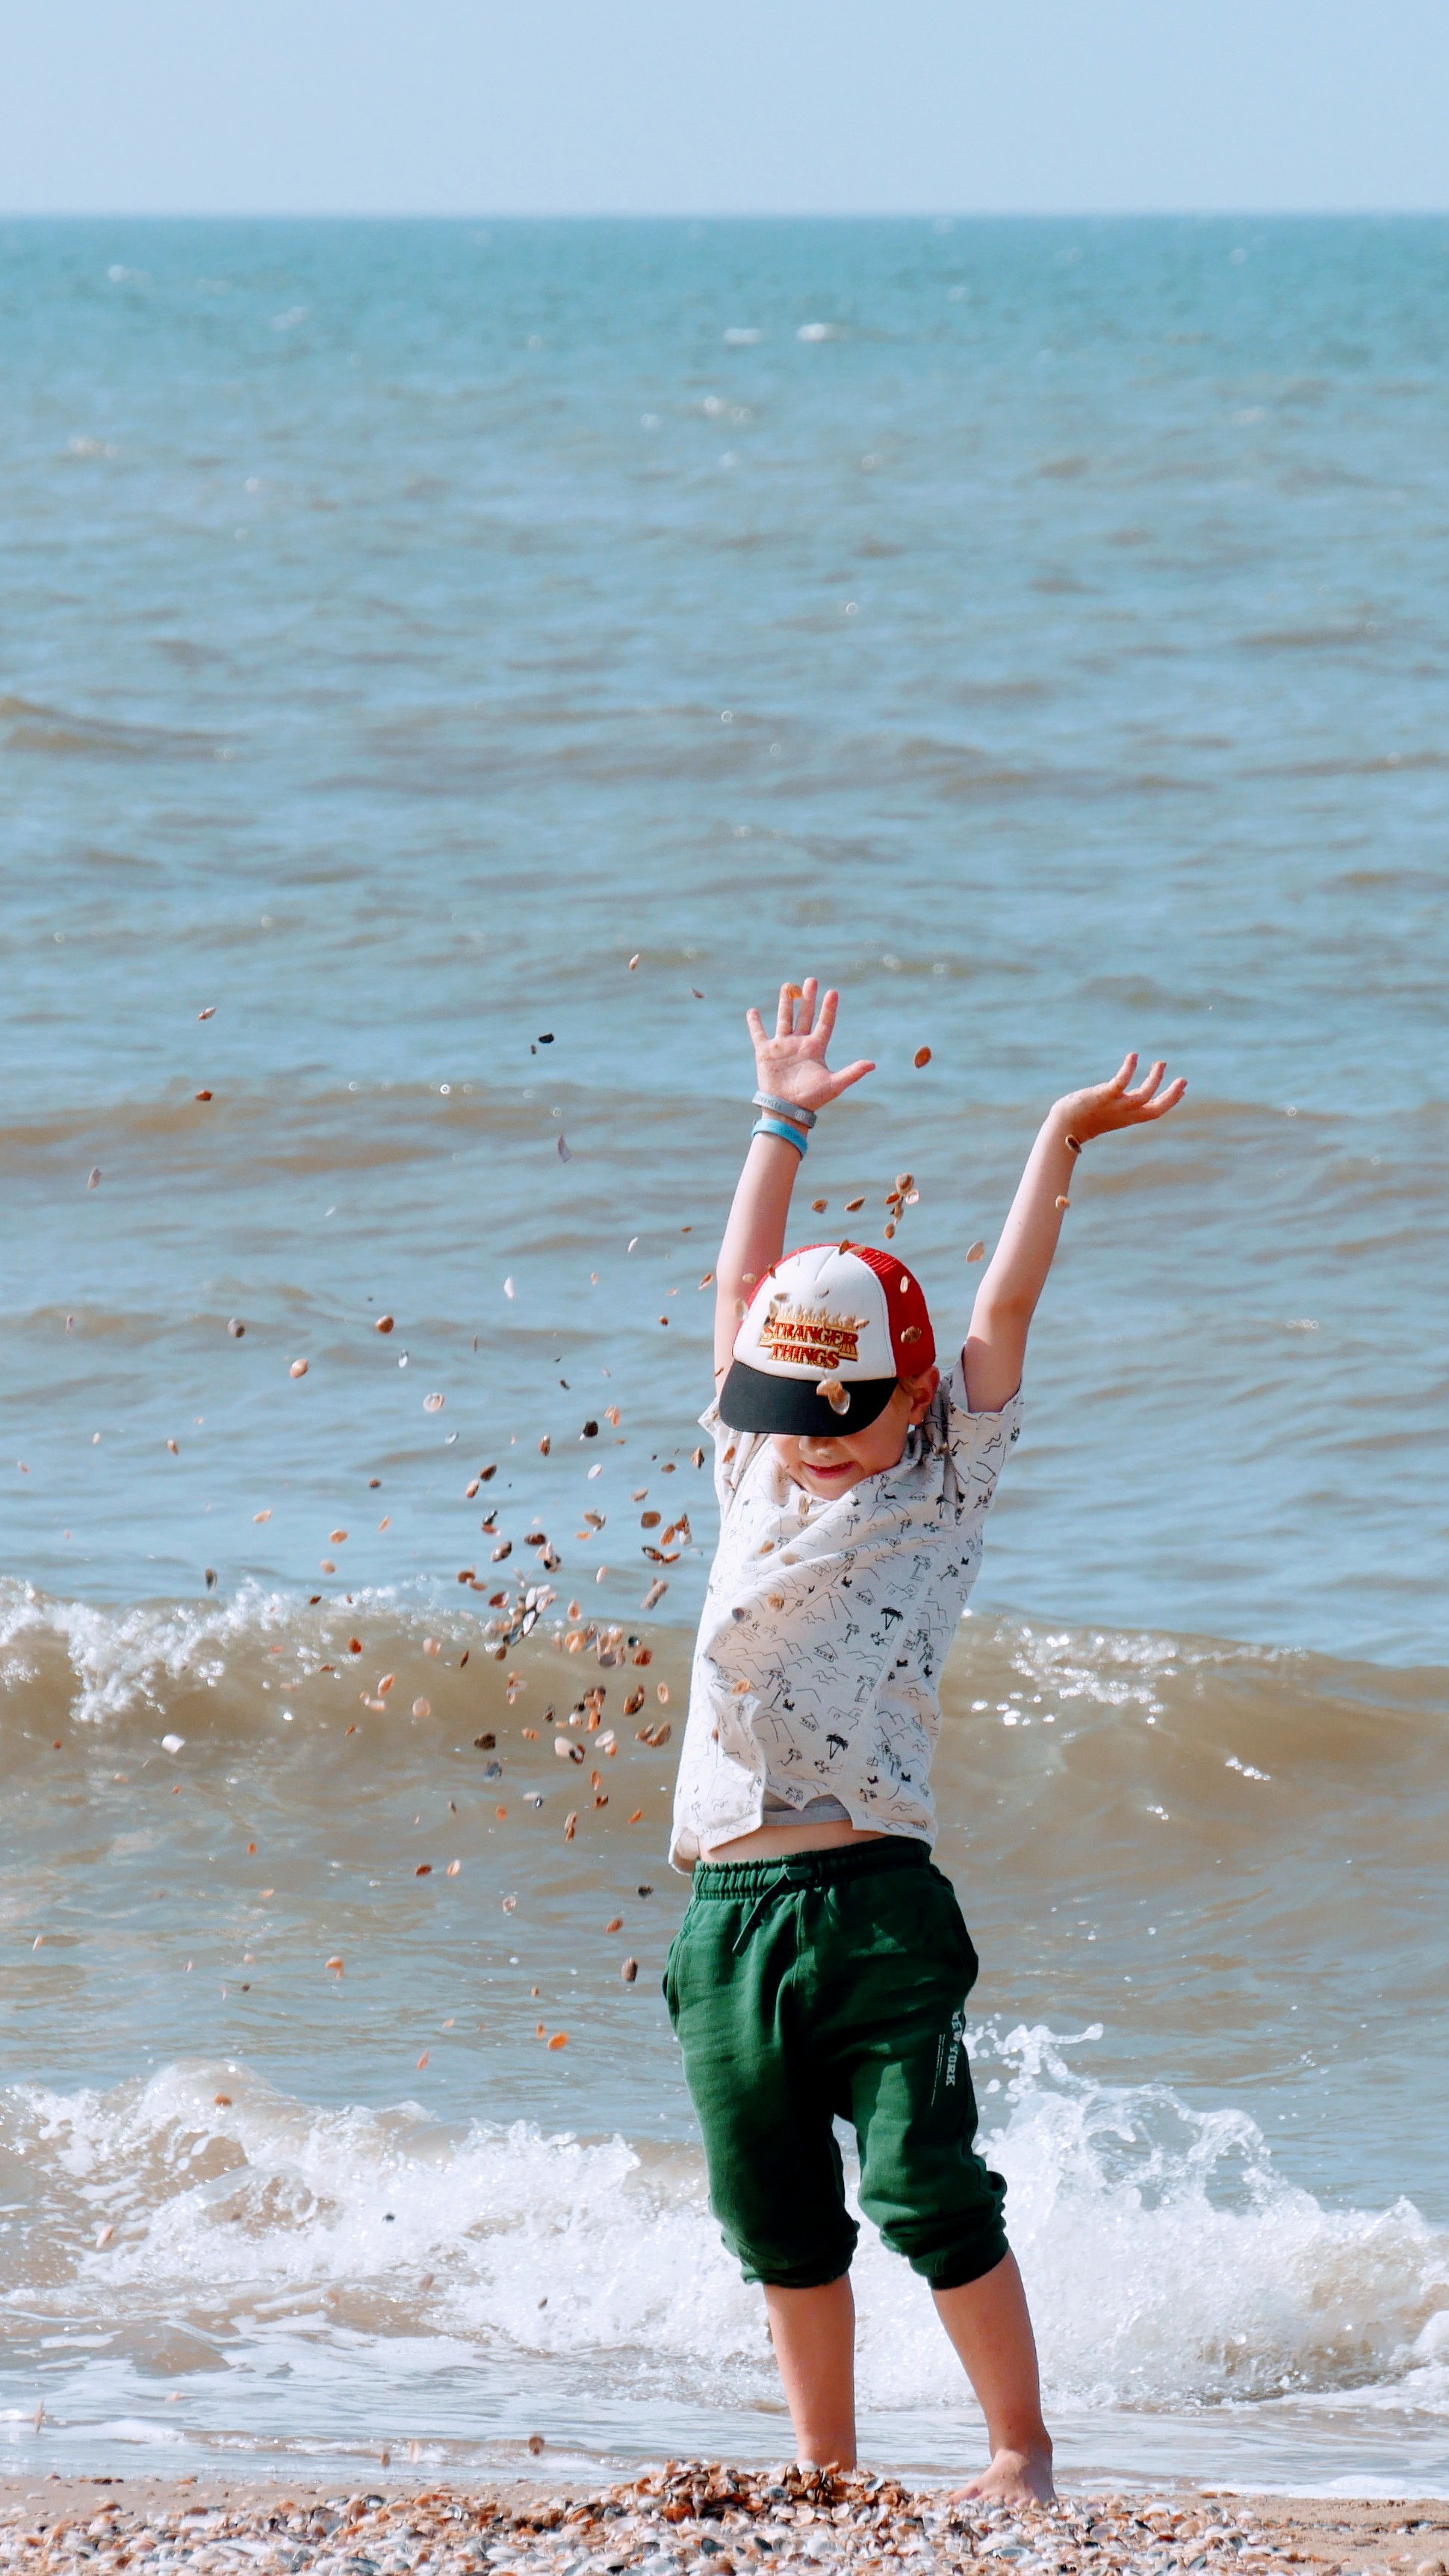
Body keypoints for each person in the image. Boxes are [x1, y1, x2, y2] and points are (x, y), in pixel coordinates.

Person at [664, 976, 1185, 2502]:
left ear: (909, 1395)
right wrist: (781, 1117)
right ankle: (823, 2463)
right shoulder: (753, 1458)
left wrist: (1056, 1138)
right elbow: (741, 1273)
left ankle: (1018, 2452)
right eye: (790, 1401)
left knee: (923, 2183)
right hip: (723, 1908)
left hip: (876, 1896)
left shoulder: (942, 1482)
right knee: (772, 2210)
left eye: (843, 1405)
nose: (814, 1431)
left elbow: (999, 1309)